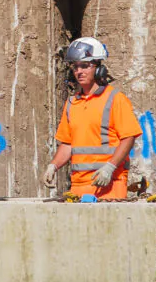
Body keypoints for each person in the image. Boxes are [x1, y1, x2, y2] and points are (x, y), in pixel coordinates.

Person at [46, 37, 141, 201]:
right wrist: (53, 166)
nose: (79, 71)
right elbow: (68, 144)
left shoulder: (115, 99)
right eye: (75, 67)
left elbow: (128, 138)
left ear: (99, 69)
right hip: (78, 187)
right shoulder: (72, 103)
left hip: (110, 186)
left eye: (85, 66)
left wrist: (110, 168)